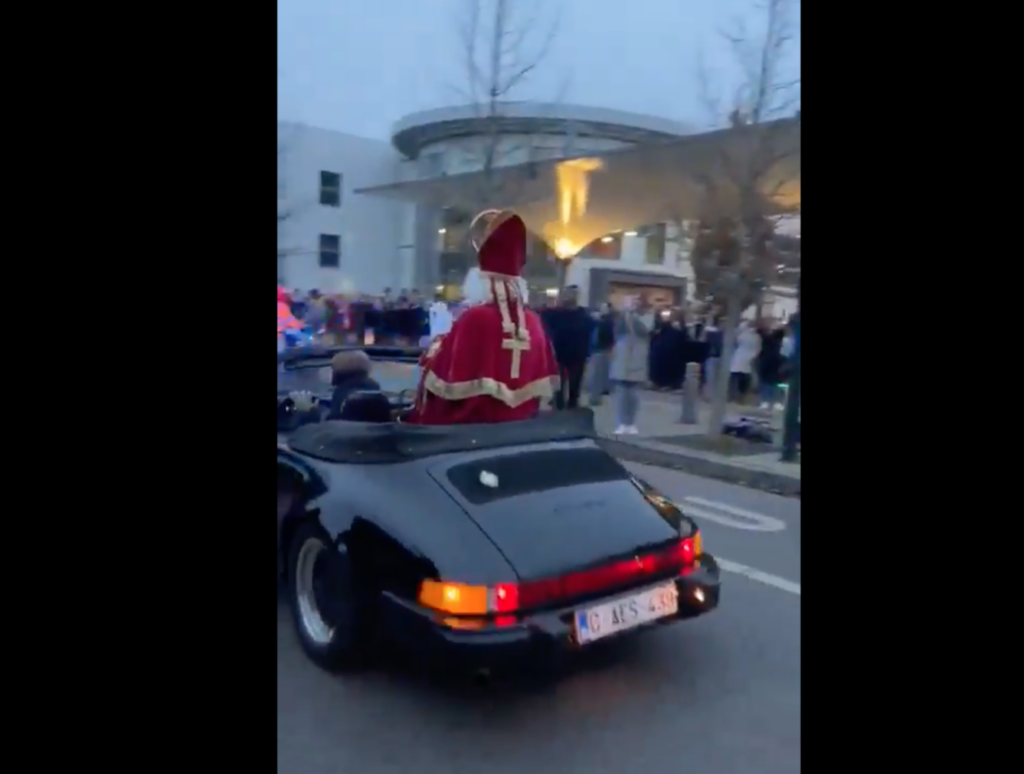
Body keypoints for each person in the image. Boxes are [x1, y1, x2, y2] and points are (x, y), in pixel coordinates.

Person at [406, 210, 560, 425]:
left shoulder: (475, 318)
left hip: (475, 430)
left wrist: (438, 341)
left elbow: (445, 376)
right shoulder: (533, 320)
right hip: (520, 427)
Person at [541, 285, 592, 409]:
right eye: (568, 294)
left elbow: (589, 331)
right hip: (559, 353)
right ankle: (558, 405)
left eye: (574, 294)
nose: (571, 297)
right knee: (559, 383)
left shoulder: (583, 313)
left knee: (575, 383)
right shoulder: (555, 313)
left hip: (578, 353)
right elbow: (544, 326)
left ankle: (573, 404)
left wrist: (588, 350)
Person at [609, 296, 654, 435]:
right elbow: (617, 331)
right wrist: (624, 314)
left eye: (637, 303)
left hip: (637, 357)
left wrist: (630, 316)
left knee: (634, 394)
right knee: (622, 392)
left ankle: (631, 422)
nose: (634, 306)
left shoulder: (647, 317)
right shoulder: (623, 318)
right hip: (623, 356)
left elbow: (644, 330)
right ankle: (622, 422)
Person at [327, 350, 382, 420]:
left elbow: (333, 420)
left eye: (333, 369)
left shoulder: (342, 391)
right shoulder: (374, 387)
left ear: (340, 371)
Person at [729, 319, 761, 402]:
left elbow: (735, 341)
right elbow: (758, 349)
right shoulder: (756, 337)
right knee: (745, 379)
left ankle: (733, 396)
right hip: (749, 359)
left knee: (735, 377)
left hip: (738, 358)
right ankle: (741, 396)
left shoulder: (742, 335)